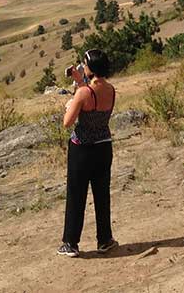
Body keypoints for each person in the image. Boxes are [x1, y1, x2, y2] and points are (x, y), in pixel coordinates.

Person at [57, 49, 117, 257]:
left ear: (90, 67)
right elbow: (93, 96)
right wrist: (80, 81)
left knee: (76, 195)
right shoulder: (110, 89)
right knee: (102, 194)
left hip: (82, 148)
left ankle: (71, 243)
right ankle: (105, 239)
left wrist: (71, 102)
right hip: (104, 146)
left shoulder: (83, 93)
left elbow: (67, 122)